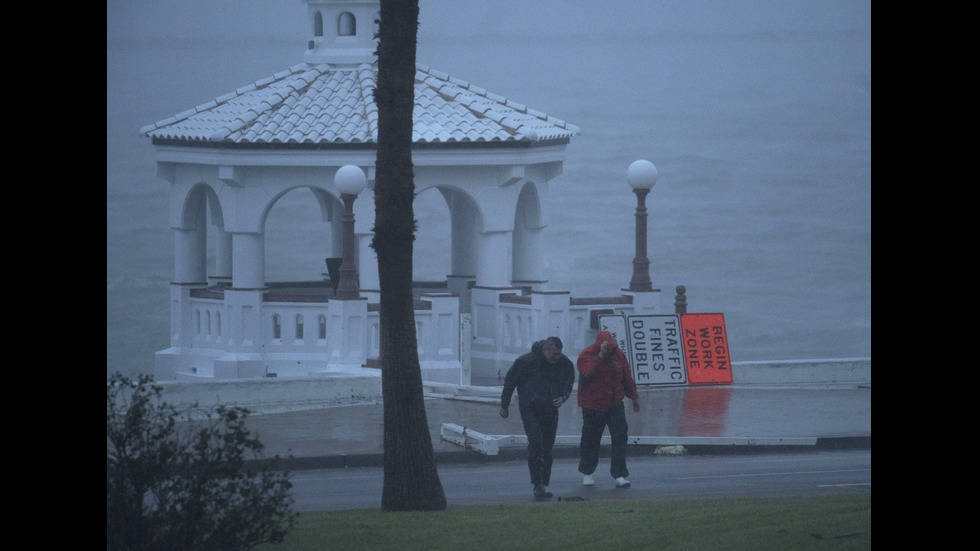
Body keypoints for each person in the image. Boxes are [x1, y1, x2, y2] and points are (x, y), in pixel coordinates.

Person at [500, 336, 575, 499]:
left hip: (550, 409)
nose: (557, 357)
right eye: (554, 354)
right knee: (536, 443)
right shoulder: (526, 361)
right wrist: (504, 406)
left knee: (547, 447)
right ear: (545, 350)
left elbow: (570, 379)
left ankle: (543, 482)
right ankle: (537, 485)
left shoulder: (563, 363)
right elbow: (510, 382)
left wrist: (563, 396)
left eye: (559, 354)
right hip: (530, 408)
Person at [576, 330, 640, 488]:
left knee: (620, 437)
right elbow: (588, 371)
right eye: (609, 349)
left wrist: (634, 397)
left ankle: (619, 474)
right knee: (590, 440)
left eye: (613, 348)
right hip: (593, 405)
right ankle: (588, 472)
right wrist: (600, 357)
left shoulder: (618, 354)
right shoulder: (587, 354)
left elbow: (626, 376)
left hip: (614, 404)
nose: (611, 351)